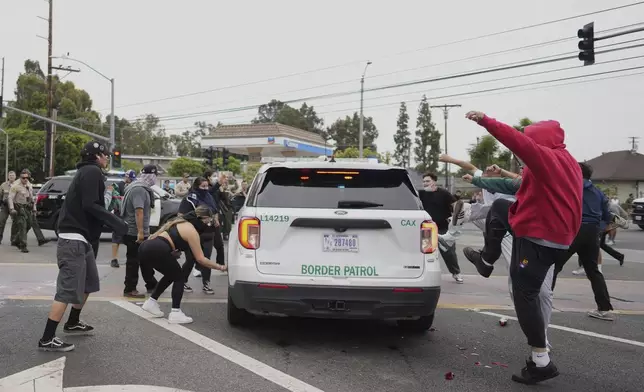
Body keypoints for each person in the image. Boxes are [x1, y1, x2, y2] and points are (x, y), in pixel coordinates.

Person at [463, 111, 582, 384]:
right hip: (557, 238)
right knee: (500, 207)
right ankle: (487, 259)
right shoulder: (568, 162)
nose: (520, 160)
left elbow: (516, 141)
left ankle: (541, 359)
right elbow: (516, 185)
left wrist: (484, 120)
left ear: (539, 144)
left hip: (539, 239)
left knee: (525, 294)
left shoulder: (545, 158)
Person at [440, 155, 555, 350]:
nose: (489, 179)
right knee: (483, 210)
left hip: (520, 232)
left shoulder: (512, 187)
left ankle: (541, 336)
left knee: (539, 290)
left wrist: (501, 172)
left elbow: (522, 180)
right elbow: (467, 165)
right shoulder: (486, 181)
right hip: (500, 229)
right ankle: (457, 233)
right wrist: (450, 159)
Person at [38, 141, 128, 352]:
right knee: (67, 290)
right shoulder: (91, 171)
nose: (107, 158)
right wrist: (117, 223)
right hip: (73, 240)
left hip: (82, 239)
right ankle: (47, 338)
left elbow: (88, 208)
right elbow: (90, 205)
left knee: (89, 283)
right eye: (105, 155)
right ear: (97, 155)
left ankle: (73, 322)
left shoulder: (89, 172)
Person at [139, 205, 227, 323]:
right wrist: (220, 267)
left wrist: (171, 252)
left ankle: (151, 302)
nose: (208, 224)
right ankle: (175, 312)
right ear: (203, 218)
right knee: (179, 277)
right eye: (208, 221)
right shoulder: (191, 230)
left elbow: (169, 240)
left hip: (146, 247)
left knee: (171, 275)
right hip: (157, 248)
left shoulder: (179, 222)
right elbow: (200, 259)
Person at [552, 162, 614, 321]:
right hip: (593, 232)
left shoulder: (570, 187)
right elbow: (607, 217)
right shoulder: (598, 193)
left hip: (574, 229)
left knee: (554, 266)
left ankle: (541, 302)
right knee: (593, 270)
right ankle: (605, 308)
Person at [179, 177, 224, 294]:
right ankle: (182, 281)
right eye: (202, 186)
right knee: (191, 260)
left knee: (206, 259)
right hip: (193, 234)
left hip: (208, 233)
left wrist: (215, 219)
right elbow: (180, 216)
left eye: (206, 186)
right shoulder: (189, 199)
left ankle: (206, 283)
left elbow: (214, 211)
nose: (205, 189)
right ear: (196, 187)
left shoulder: (209, 197)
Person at [121, 164, 159, 298]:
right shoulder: (140, 189)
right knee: (133, 261)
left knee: (145, 258)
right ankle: (130, 288)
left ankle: (152, 284)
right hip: (134, 232)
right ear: (151, 175)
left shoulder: (138, 186)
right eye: (155, 175)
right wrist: (141, 232)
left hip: (135, 230)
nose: (155, 179)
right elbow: (139, 211)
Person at [418, 172, 463, 284]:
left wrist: (453, 218)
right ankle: (426, 275)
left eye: (427, 181)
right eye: (424, 181)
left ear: (434, 181)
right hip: (428, 228)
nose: (425, 183)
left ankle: (456, 273)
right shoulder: (421, 194)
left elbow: (456, 205)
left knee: (449, 252)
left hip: (444, 228)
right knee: (427, 252)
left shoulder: (444, 194)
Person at [109, 170, 136, 268]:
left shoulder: (133, 186)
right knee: (116, 237)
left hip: (128, 215)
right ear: (126, 177)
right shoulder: (119, 185)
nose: (131, 181)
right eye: (130, 179)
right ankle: (114, 259)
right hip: (119, 214)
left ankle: (130, 258)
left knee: (129, 237)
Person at [0, 171, 17, 245]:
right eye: (10, 176)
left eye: (13, 175)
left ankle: (13, 240)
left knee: (15, 223)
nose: (11, 177)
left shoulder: (18, 185)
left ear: (15, 177)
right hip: (5, 206)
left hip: (14, 206)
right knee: (1, 222)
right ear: (8, 177)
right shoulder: (3, 185)